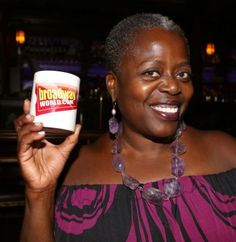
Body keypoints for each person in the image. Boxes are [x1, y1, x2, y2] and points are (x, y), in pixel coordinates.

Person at [15, 13, 236, 242]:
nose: (173, 85)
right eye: (152, 72)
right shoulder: (71, 169)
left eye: (183, 74)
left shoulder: (227, 153)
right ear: (113, 86)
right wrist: (40, 193)